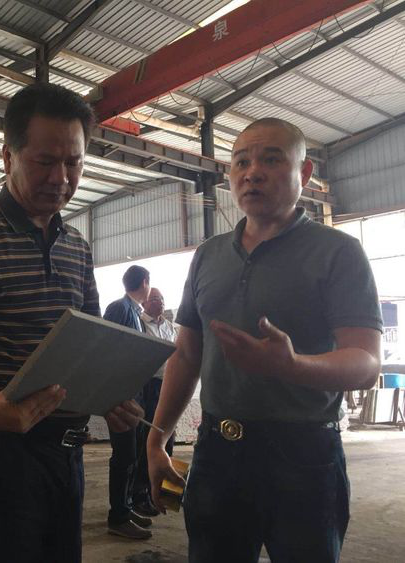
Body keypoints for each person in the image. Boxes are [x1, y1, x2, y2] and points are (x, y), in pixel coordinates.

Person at [0, 82, 143, 563]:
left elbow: (93, 344)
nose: (61, 178)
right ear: (7, 157)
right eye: (45, 161)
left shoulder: (77, 247)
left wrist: (109, 397)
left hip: (66, 457)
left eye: (73, 163)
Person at [147, 117, 382, 563]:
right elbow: (186, 355)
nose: (252, 172)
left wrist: (292, 367)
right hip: (217, 453)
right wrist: (157, 439)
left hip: (304, 457)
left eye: (271, 160)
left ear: (304, 172)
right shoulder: (208, 255)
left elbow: (367, 363)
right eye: (241, 162)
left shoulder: (337, 252)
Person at [103, 265, 155, 539]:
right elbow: (108, 348)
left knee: (132, 456)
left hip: (132, 396)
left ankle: (127, 506)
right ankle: (118, 517)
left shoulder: (133, 312)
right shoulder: (119, 308)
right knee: (123, 457)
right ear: (145, 282)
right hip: (120, 399)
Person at [132, 287, 178, 514]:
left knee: (168, 439)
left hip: (169, 385)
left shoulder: (169, 326)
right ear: (144, 303)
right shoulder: (139, 323)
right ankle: (141, 495)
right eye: (154, 299)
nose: (159, 302)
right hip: (149, 387)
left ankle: (165, 494)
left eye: (161, 298)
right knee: (149, 441)